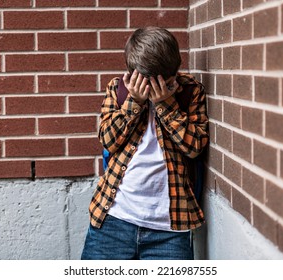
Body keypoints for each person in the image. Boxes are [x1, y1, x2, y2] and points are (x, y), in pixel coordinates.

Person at [81, 27, 209, 260]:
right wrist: (135, 101)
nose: (153, 90)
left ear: (175, 72)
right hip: (113, 220)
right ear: (133, 74)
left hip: (170, 229)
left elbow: (194, 147)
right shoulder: (118, 89)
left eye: (164, 82)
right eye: (146, 84)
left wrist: (165, 104)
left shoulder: (190, 91)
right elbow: (108, 141)